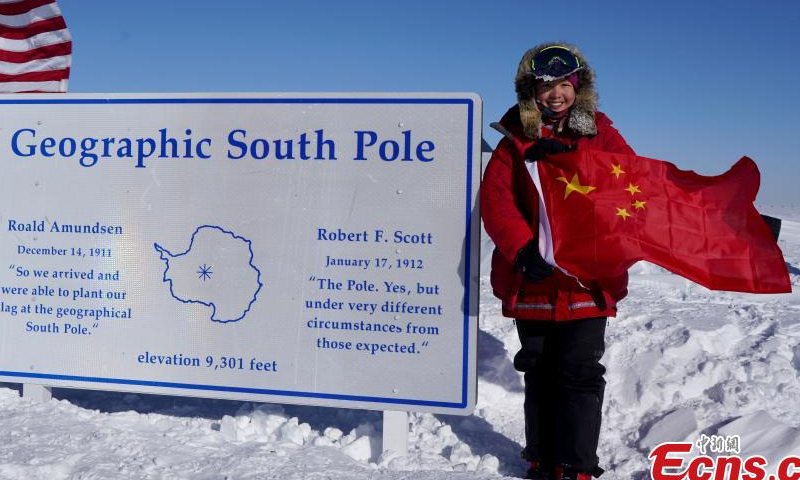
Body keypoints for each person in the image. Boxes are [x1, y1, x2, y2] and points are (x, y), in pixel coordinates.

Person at [480, 43, 635, 480]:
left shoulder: (600, 133)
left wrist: (573, 161)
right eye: (545, 86)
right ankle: (541, 457)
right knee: (541, 371)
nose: (554, 95)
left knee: (579, 371)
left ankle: (577, 463)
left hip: (586, 279)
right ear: (531, 90)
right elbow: (497, 202)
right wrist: (523, 249)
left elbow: (625, 181)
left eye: (563, 85)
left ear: (578, 87)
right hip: (533, 277)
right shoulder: (514, 138)